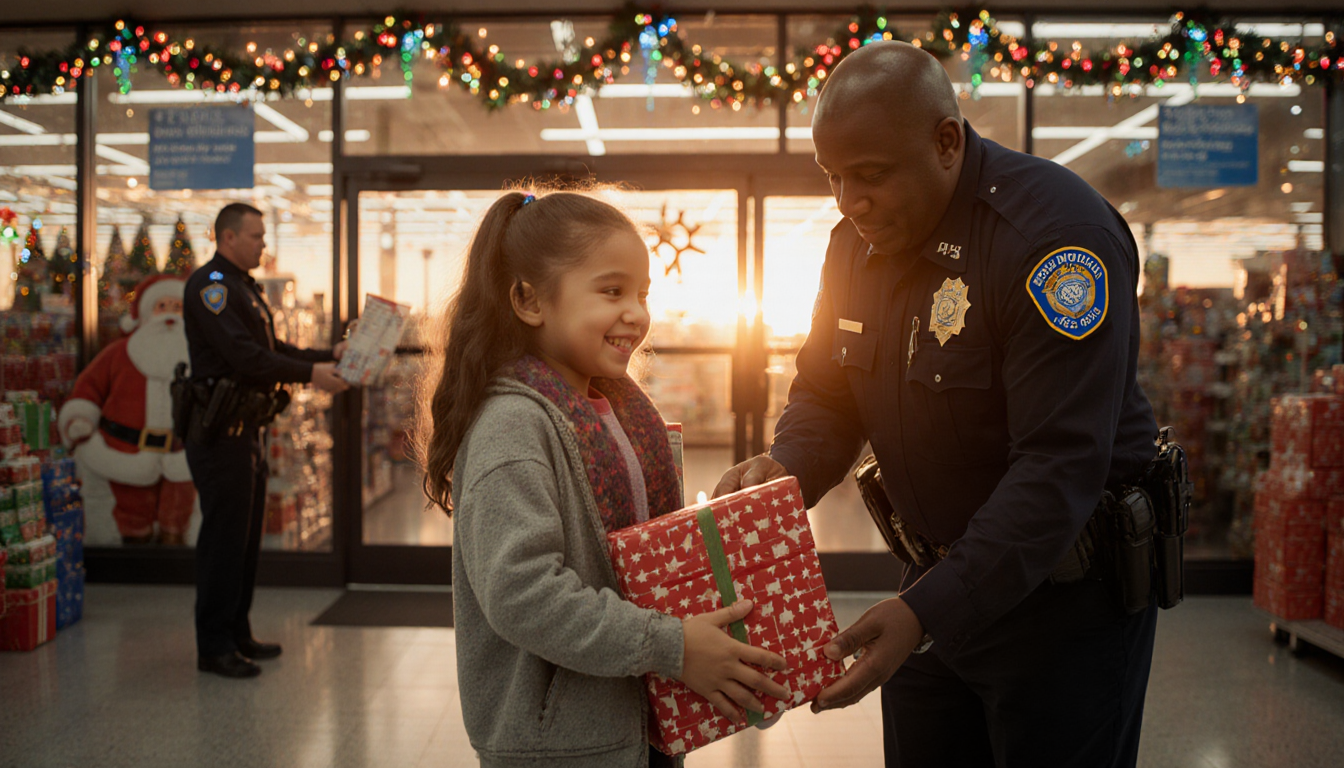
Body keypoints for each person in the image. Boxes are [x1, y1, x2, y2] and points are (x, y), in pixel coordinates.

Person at [714, 41, 1161, 767]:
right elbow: (828, 391)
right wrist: (787, 465)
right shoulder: (852, 249)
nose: (848, 203)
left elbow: (1058, 468)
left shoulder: (1054, 243)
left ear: (947, 142)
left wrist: (925, 610)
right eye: (832, 179)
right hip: (934, 585)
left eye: (870, 176)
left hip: (1062, 609)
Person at [422, 190, 789, 768]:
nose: (637, 313)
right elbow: (522, 593)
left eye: (643, 294)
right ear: (527, 299)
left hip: (637, 720)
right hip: (561, 744)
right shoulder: (511, 427)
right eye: (612, 291)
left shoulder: (618, 409)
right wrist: (671, 644)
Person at [184, 202, 351, 679]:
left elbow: (271, 350)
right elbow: (244, 358)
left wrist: (325, 355)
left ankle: (237, 632)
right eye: (256, 236)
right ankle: (213, 646)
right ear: (228, 238)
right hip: (220, 435)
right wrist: (311, 374)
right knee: (223, 542)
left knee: (244, 542)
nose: (264, 244)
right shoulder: (210, 288)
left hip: (246, 431)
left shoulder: (243, 288)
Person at [58, 274, 196, 546]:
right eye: (162, 307)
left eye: (177, 307)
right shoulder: (118, 354)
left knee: (179, 517)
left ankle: (177, 565)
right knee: (130, 518)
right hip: (124, 454)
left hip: (181, 458)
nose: (169, 316)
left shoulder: (199, 356)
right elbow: (90, 387)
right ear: (144, 316)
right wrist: (80, 417)